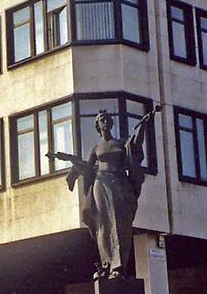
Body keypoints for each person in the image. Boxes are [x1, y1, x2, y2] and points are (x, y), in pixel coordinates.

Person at [54, 106, 159, 279]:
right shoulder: (96, 148)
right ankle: (106, 264)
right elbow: (87, 168)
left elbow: (135, 145)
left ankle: (118, 267)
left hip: (119, 183)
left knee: (120, 224)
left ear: (110, 123)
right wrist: (69, 159)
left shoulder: (120, 143)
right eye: (100, 119)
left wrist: (144, 126)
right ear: (98, 126)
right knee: (103, 225)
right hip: (100, 185)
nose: (104, 121)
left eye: (106, 118)